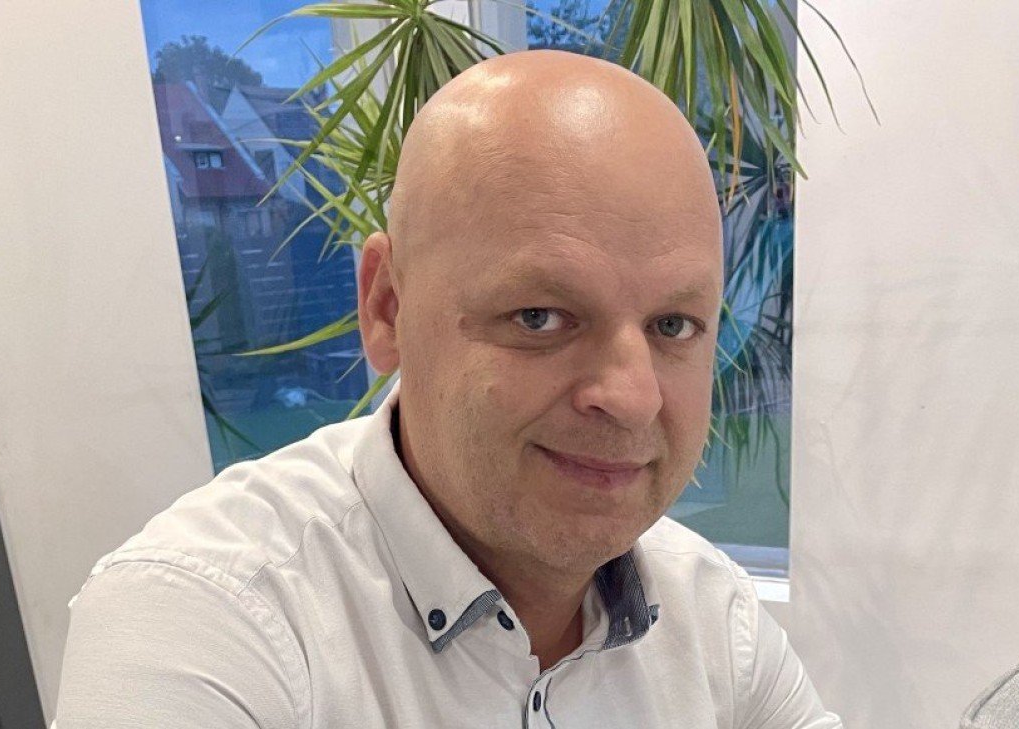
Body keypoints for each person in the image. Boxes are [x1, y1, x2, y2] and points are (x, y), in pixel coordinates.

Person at [53, 49, 841, 728]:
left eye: (673, 325)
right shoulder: (210, 617)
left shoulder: (715, 622)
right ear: (386, 307)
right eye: (539, 316)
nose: (632, 398)